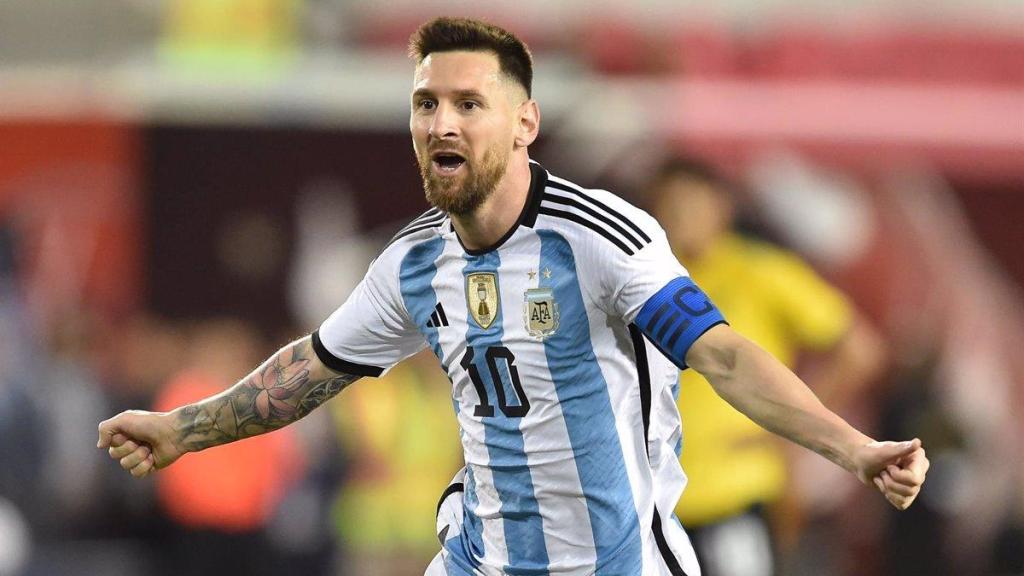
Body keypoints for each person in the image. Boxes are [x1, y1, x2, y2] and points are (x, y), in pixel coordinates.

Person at [98, 17, 929, 576]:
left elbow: (725, 355)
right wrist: (184, 427)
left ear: (525, 123)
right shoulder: (413, 263)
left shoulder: (601, 235)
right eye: (427, 104)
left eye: (469, 104)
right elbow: (312, 368)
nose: (443, 123)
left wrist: (853, 449)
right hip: (480, 558)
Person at [645, 157, 886, 576]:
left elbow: (860, 349)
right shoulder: (644, 280)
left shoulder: (760, 272)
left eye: (691, 205)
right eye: (669, 206)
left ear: (721, 207)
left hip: (737, 491)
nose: (680, 217)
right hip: (655, 496)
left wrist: (788, 422)